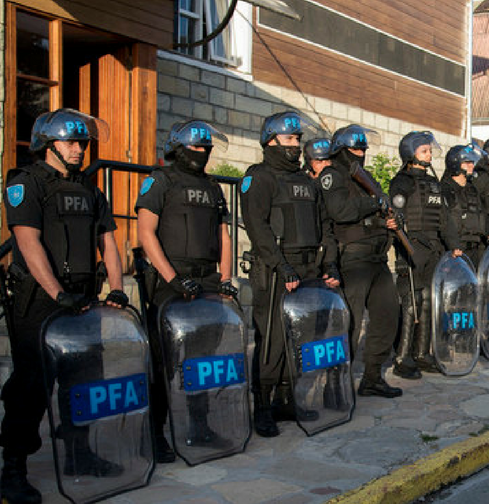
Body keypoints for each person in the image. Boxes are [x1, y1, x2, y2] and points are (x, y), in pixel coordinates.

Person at [0, 109, 127, 504]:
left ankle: (80, 452)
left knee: (84, 380)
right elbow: (27, 241)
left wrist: (118, 288)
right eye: (71, 142)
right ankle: (13, 468)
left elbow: (108, 240)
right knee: (32, 385)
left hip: (83, 298)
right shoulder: (27, 183)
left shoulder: (91, 189)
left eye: (82, 143)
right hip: (39, 300)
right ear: (47, 144)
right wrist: (57, 294)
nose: (78, 150)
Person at [136, 120, 237, 457]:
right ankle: (154, 433)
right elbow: (146, 233)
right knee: (164, 361)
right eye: (195, 146)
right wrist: (171, 278)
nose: (202, 152)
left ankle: (199, 426)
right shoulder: (160, 181)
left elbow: (223, 236)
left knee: (202, 361)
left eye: (205, 147)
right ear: (178, 148)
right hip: (171, 282)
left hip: (207, 280)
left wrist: (225, 278)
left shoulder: (211, 187)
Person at [240, 111, 340, 437]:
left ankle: (286, 400)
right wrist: (282, 266)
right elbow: (258, 227)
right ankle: (263, 407)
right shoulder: (259, 177)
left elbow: (324, 225)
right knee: (271, 341)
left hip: (308, 268)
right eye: (289, 139)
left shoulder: (306, 182)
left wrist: (329, 266)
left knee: (299, 338)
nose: (295, 145)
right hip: (274, 269)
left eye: (297, 140)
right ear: (271, 141)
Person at [320, 124, 402, 398]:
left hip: (377, 258)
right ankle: (335, 385)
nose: (360, 153)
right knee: (349, 325)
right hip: (352, 259)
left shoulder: (365, 177)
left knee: (387, 317)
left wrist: (388, 219)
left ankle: (372, 377)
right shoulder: (332, 176)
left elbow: (379, 208)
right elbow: (340, 211)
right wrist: (376, 203)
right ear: (341, 151)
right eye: (355, 149)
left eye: (363, 149)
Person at [389, 131, 457, 379]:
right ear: (411, 154)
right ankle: (402, 357)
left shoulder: (433, 183)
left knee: (428, 301)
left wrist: (454, 245)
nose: (429, 154)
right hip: (412, 248)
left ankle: (421, 353)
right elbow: (395, 217)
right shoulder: (402, 182)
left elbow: (445, 219)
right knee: (411, 303)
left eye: (430, 150)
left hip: (434, 249)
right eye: (424, 151)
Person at [440, 144, 489, 268]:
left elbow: (483, 215)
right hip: (455, 251)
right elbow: (443, 220)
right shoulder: (445, 189)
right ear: (455, 164)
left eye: (472, 162)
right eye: (467, 162)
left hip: (476, 249)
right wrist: (453, 244)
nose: (471, 166)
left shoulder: (473, 190)